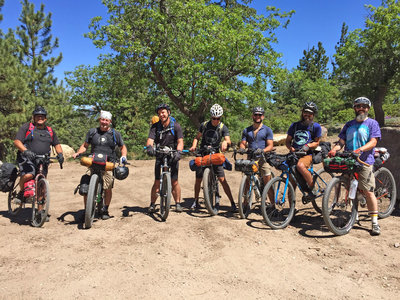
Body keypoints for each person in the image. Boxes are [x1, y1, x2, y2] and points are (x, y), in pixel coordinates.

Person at [328, 97, 382, 236]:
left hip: (364, 161)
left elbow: (373, 141)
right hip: (349, 159)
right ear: (355, 108)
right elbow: (341, 141)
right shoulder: (348, 124)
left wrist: (361, 150)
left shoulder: (372, 123)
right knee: (348, 185)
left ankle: (374, 222)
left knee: (368, 191)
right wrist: (335, 149)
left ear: (368, 108)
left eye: (364, 106)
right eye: (358, 106)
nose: (361, 108)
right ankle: (354, 214)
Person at [73, 110, 127, 220]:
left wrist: (123, 156)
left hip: (108, 163)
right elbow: (85, 145)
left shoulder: (115, 134)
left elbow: (123, 147)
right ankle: (87, 209)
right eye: (102, 119)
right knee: (86, 186)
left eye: (106, 120)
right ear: (99, 120)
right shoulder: (93, 132)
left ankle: (105, 209)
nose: (104, 122)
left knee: (107, 186)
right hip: (93, 161)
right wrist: (79, 152)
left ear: (110, 122)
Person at [14, 106, 64, 220]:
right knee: (29, 175)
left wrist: (60, 154)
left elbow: (57, 144)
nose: (40, 118)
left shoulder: (50, 131)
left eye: (42, 116)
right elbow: (17, 141)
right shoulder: (27, 127)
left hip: (43, 160)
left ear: (45, 118)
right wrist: (25, 151)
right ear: (34, 117)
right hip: (27, 158)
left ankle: (40, 211)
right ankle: (21, 193)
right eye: (37, 116)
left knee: (42, 184)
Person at [189, 104, 236, 211]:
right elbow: (197, 137)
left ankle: (232, 203)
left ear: (221, 117)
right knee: (198, 179)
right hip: (203, 153)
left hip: (215, 154)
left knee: (222, 179)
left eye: (218, 118)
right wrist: (194, 146)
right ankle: (195, 201)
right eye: (213, 118)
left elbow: (228, 139)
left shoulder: (222, 127)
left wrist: (225, 142)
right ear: (211, 117)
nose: (215, 120)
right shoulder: (204, 125)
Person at [146, 104, 184, 213]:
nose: (161, 115)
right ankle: (152, 204)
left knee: (174, 181)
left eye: (163, 112)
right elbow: (150, 139)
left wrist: (179, 152)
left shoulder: (175, 126)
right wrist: (149, 147)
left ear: (168, 112)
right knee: (157, 181)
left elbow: (180, 141)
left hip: (172, 154)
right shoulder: (155, 126)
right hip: (160, 154)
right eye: (159, 113)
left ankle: (177, 203)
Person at [285, 102, 322, 196]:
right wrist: (291, 148)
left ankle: (312, 188)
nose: (307, 115)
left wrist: (308, 146)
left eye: (310, 113)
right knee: (291, 179)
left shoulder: (316, 126)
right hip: (294, 154)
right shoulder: (295, 125)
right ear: (302, 112)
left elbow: (317, 142)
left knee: (300, 166)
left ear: (313, 115)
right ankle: (291, 209)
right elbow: (288, 141)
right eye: (305, 112)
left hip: (307, 154)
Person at [238, 106, 274, 185]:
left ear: (263, 116)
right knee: (246, 182)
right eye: (256, 115)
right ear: (252, 116)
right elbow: (243, 143)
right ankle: (245, 197)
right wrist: (242, 148)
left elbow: (270, 146)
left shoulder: (267, 130)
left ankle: (272, 197)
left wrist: (263, 150)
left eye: (260, 115)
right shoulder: (247, 130)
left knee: (267, 182)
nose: (257, 117)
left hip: (263, 158)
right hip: (251, 158)